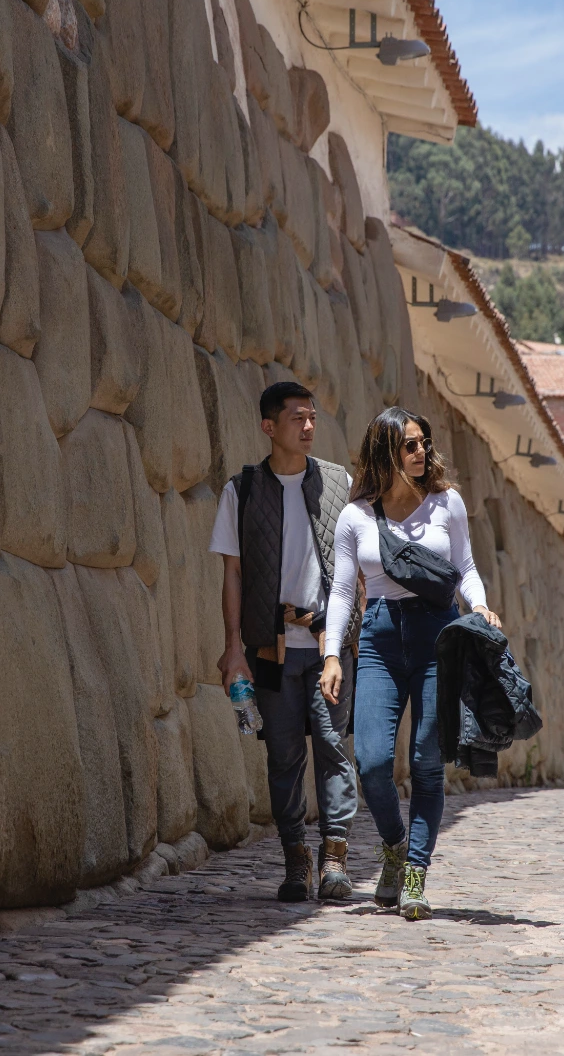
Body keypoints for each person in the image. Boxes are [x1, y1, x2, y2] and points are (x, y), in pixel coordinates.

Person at [322, 408, 500, 921]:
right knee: (373, 761)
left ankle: (415, 873)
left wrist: (480, 605)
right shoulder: (356, 515)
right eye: (409, 446)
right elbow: (340, 590)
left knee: (425, 759)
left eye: (424, 443)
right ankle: (394, 847)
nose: (421, 453)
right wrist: (333, 653)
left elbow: (465, 566)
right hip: (378, 638)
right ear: (386, 452)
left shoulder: (448, 503)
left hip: (437, 636)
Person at [211, 382, 357, 903]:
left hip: (328, 650)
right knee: (284, 756)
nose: (309, 427)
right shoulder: (242, 490)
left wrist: (339, 636)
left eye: (313, 417)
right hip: (269, 651)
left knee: (336, 749)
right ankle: (296, 861)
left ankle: (335, 860)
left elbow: (356, 568)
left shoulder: (340, 484)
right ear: (269, 427)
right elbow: (232, 574)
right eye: (298, 418)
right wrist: (233, 650)